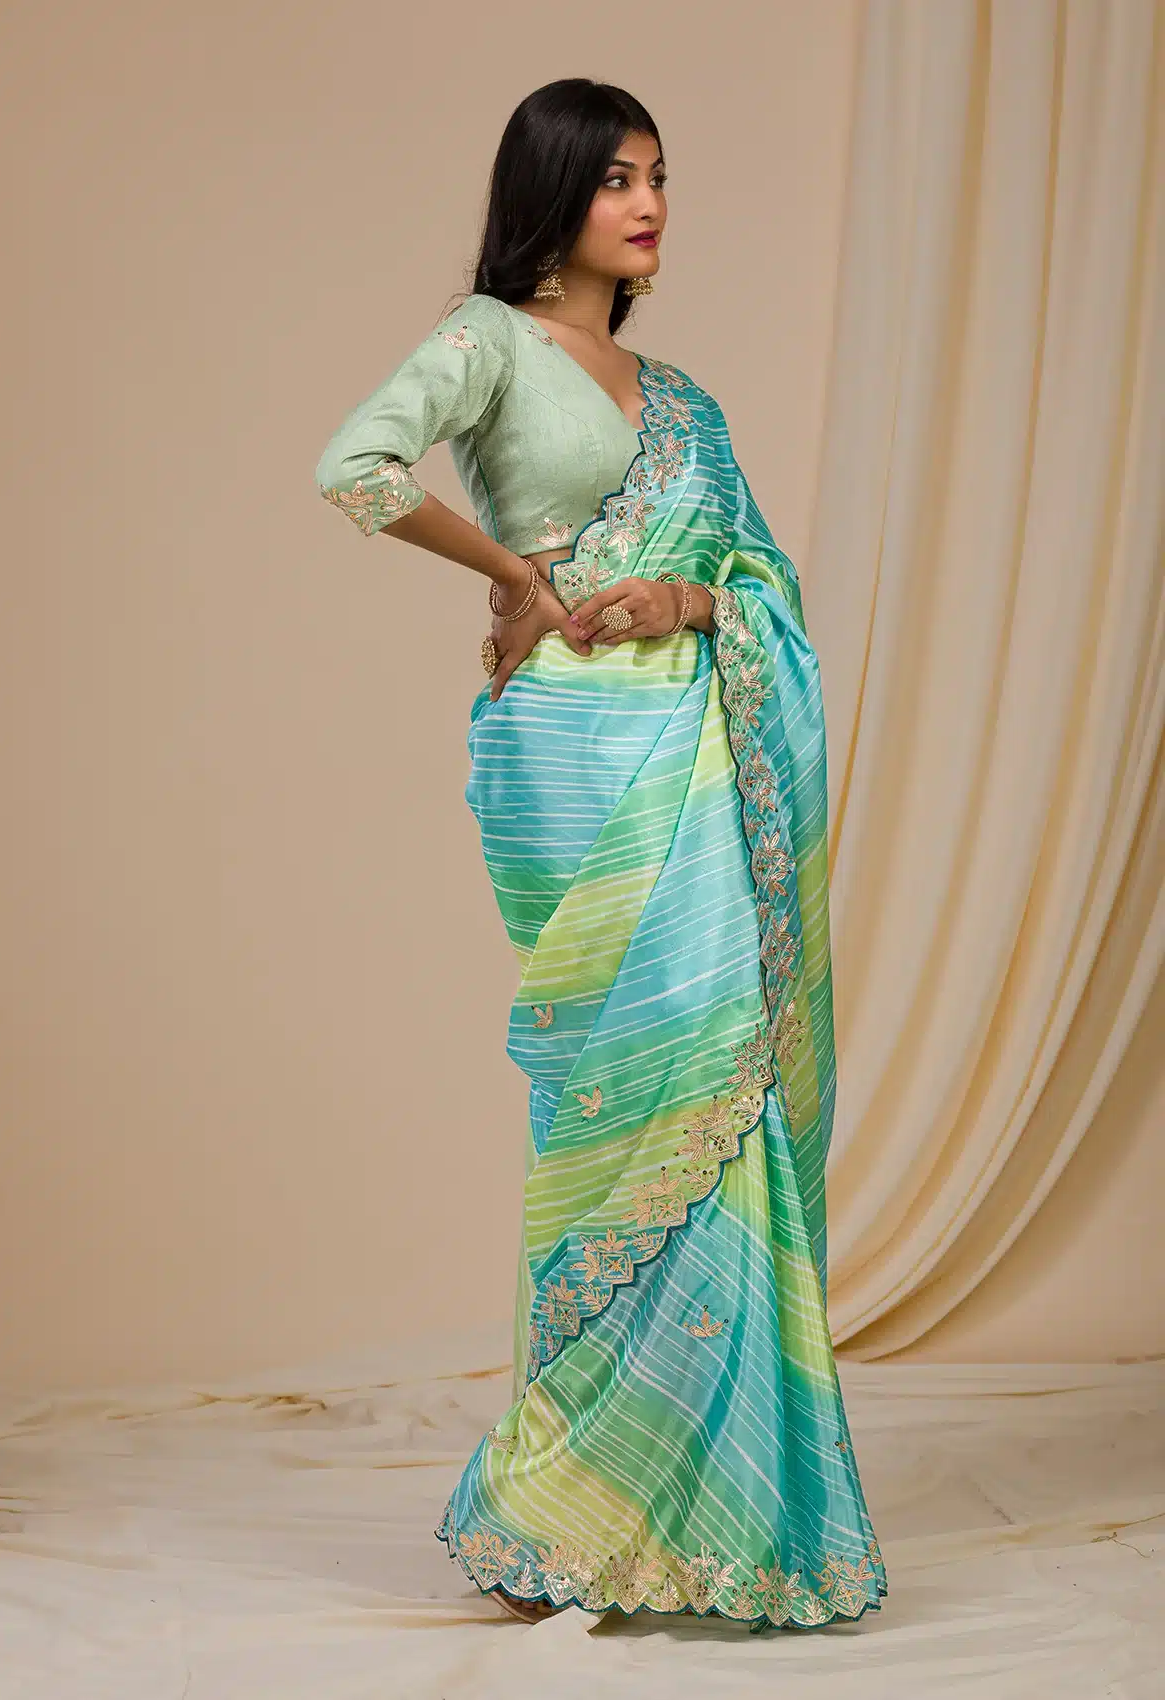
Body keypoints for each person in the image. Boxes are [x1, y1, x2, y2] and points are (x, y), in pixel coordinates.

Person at [315, 78, 886, 1632]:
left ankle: (701, 1505)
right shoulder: (489, 342)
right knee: (617, 1100)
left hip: (694, 729)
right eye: (618, 178)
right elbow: (358, 469)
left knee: (718, 1077)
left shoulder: (680, 395)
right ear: (555, 193)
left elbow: (755, 577)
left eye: (659, 178)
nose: (648, 205)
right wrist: (517, 576)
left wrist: (687, 601)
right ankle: (564, 1499)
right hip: (569, 749)